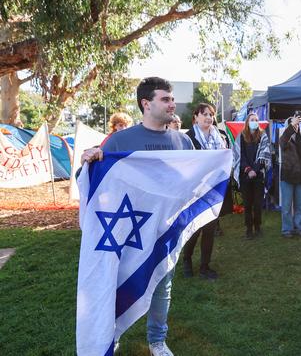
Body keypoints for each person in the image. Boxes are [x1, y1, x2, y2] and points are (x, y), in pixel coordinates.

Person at [81, 77, 194, 356]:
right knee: (116, 281)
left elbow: (191, 183)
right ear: (146, 103)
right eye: (165, 99)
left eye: (172, 99)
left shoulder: (184, 142)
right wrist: (90, 158)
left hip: (165, 229)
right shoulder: (121, 139)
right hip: (127, 229)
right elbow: (96, 181)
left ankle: (157, 340)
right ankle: (112, 334)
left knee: (161, 285)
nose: (172, 104)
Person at [182, 103, 228, 280]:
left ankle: (204, 267)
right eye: (204, 114)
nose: (208, 117)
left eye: (211, 114)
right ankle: (186, 260)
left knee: (209, 228)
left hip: (214, 188)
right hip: (195, 190)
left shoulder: (220, 136)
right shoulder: (188, 138)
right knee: (195, 228)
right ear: (196, 117)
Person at [233, 113, 271, 239]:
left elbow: (264, 155)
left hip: (258, 175)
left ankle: (258, 228)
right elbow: (239, 156)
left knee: (258, 204)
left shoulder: (263, 136)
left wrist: (255, 170)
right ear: (247, 121)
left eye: (256, 120)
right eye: (252, 120)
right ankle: (249, 230)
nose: (255, 121)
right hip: (245, 175)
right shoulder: (241, 136)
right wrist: (248, 169)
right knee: (247, 204)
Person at [279, 113, 301, 238]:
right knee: (286, 206)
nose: (297, 126)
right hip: (288, 176)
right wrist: (292, 125)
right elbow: (282, 142)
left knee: (300, 205)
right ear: (289, 125)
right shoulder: (284, 138)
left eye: (298, 124)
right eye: (294, 124)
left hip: (300, 176)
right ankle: (287, 229)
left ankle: (299, 227)